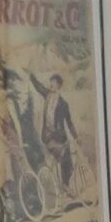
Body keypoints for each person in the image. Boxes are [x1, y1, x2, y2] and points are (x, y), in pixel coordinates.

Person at [40, 73, 81, 203]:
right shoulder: (47, 95)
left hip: (60, 136)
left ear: (58, 85)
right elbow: (37, 86)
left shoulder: (63, 104)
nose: (51, 84)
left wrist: (76, 137)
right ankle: (62, 186)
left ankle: (65, 185)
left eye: (53, 83)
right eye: (50, 82)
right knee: (63, 154)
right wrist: (28, 75)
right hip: (48, 136)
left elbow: (69, 122)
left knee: (68, 157)